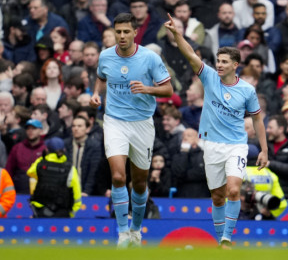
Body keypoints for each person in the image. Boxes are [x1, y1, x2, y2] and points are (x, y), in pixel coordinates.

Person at [164, 13, 268, 249]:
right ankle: (222, 238)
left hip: (236, 146)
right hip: (211, 145)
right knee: (218, 196)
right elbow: (190, 55)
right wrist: (177, 34)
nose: (218, 64)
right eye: (218, 60)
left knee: (233, 189)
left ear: (235, 65)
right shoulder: (209, 77)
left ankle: (226, 239)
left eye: (223, 61)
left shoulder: (247, 90)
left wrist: (264, 149)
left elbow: (258, 120)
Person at [90, 13, 173, 248]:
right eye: (118, 32)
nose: (122, 36)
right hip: (114, 121)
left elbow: (168, 90)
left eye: (127, 31)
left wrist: (147, 89)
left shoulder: (149, 58)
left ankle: (136, 230)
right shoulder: (106, 56)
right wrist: (97, 94)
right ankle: (123, 233)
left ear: (135, 32)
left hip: (142, 123)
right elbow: (100, 77)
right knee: (118, 176)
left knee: (139, 183)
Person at [27, 137, 81, 218]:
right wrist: (71, 214)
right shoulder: (70, 169)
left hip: (40, 212)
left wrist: (43, 158)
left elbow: (30, 172)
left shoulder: (40, 165)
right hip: (62, 214)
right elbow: (77, 196)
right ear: (64, 150)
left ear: (47, 150)